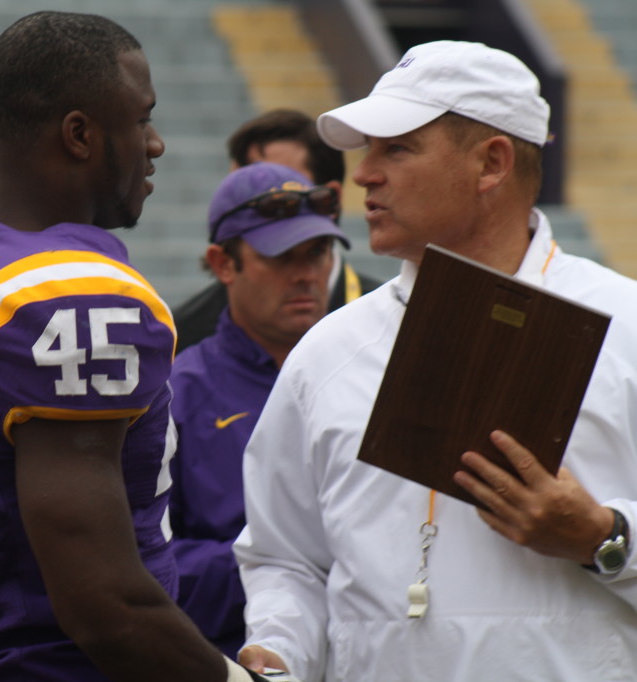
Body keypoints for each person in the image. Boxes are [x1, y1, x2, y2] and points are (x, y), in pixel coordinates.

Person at [0, 11, 268, 682]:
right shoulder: (75, 301)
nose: (156, 143)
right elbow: (106, 606)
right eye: (140, 119)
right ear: (80, 134)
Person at [235, 40, 637, 681]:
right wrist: (280, 649)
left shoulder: (627, 327)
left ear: (492, 163)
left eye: (395, 148)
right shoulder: (328, 351)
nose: (363, 174)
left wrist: (604, 538)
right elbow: (287, 560)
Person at [168, 161, 351, 658]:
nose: (306, 274)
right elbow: (142, 563)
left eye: (318, 252)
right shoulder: (177, 394)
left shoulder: (370, 373)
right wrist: (286, 561)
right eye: (282, 255)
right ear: (223, 263)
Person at [173, 108, 380, 352]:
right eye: (242, 182)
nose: (250, 193)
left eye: (284, 189)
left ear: (330, 199)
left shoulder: (392, 322)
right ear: (223, 264)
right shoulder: (184, 337)